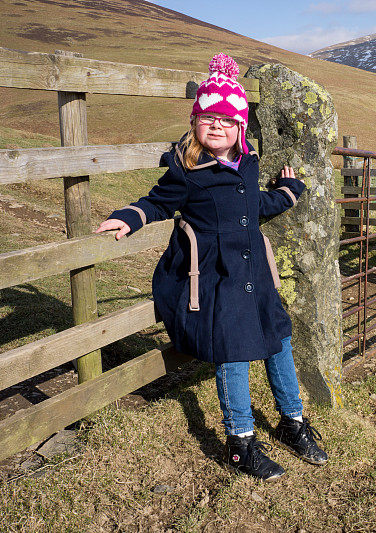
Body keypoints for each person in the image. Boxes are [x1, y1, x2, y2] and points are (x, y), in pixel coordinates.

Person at [94, 54, 326, 481]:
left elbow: (256, 205)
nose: (216, 126)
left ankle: (293, 423)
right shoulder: (187, 170)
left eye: (225, 119)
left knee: (279, 340)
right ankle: (241, 442)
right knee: (232, 354)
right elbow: (158, 201)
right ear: (195, 122)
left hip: (255, 276)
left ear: (240, 126)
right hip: (215, 280)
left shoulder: (247, 162)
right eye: (207, 118)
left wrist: (290, 191)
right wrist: (130, 216)